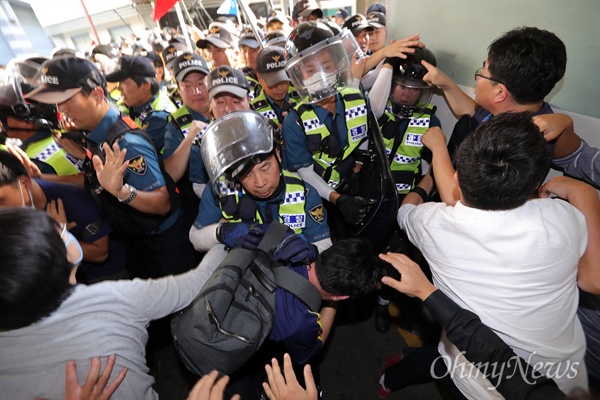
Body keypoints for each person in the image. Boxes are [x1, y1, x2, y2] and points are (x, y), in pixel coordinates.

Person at [398, 112, 598, 396]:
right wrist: (583, 191)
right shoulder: (563, 217)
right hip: (560, 381)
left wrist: (422, 183)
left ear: (456, 178)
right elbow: (593, 279)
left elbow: (406, 212)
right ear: (535, 184)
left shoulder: (431, 223)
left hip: (474, 380)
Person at [0, 208, 222, 399]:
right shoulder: (114, 299)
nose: (63, 229)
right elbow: (197, 283)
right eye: (57, 231)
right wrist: (221, 234)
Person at [27, 56, 196, 278]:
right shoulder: (96, 133)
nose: (61, 110)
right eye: (57, 103)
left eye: (67, 100)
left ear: (97, 95)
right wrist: (41, 178)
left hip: (165, 247)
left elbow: (162, 202)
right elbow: (93, 178)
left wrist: (123, 192)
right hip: (139, 242)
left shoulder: (126, 143)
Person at [377, 252, 569, 400]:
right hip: (469, 357)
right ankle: (391, 376)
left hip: (474, 383)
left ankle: (398, 368)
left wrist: (426, 291)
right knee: (436, 356)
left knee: (438, 357)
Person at [422, 26, 596, 188]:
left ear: (500, 92)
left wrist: (438, 150)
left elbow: (459, 197)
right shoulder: (527, 111)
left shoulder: (513, 147)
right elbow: (474, 113)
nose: (479, 76)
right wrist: (446, 84)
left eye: (482, 72)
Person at [224, 235, 378, 399]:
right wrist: (334, 303)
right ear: (341, 297)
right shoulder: (302, 323)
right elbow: (315, 345)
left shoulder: (286, 241)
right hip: (235, 355)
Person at [368, 47, 442, 333]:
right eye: (400, 86)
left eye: (414, 89)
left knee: (398, 258)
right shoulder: (372, 112)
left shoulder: (429, 122)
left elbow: (438, 167)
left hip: (404, 201)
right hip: (371, 198)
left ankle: (384, 304)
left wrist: (420, 196)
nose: (406, 94)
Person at [189, 110, 332, 258]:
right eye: (247, 174)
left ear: (278, 154)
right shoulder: (222, 190)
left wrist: (312, 250)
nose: (260, 183)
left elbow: (325, 244)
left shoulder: (305, 194)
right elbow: (195, 238)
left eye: (265, 168)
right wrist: (222, 232)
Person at [281, 21, 372, 227]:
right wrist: (338, 199)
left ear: (339, 65)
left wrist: (357, 170)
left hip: (350, 183)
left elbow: (362, 134)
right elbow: (304, 172)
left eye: (326, 67)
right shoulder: (294, 122)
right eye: (310, 70)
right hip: (315, 197)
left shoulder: (356, 99)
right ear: (299, 76)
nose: (320, 76)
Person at [0, 149, 128, 284]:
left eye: (1, 200)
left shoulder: (73, 200)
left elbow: (101, 253)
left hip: (100, 277)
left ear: (25, 183)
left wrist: (58, 235)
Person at [0, 62, 83, 175]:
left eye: (5, 115)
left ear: (28, 122)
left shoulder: (29, 163)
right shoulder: (66, 136)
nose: (1, 121)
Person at [163, 52, 212, 198]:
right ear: (178, 90)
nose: (196, 92)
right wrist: (190, 138)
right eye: (187, 86)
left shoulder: (227, 103)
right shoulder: (176, 123)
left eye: (200, 83)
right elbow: (170, 174)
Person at [105, 55, 176, 151]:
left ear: (146, 85)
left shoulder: (159, 117)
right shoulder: (139, 106)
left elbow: (136, 153)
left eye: (123, 82)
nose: (119, 88)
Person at [251, 46, 300, 126]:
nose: (280, 88)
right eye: (273, 83)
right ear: (260, 79)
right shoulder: (253, 111)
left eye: (284, 81)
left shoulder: (302, 98)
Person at [238, 26, 264, 100]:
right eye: (244, 51)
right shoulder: (238, 78)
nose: (248, 56)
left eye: (253, 50)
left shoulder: (274, 72)